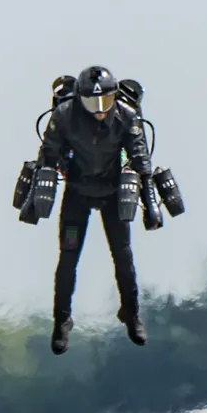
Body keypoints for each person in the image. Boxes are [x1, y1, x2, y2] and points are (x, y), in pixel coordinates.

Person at [36, 65, 163, 355]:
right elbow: (48, 155)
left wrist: (151, 206)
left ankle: (131, 314)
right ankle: (61, 320)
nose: (99, 110)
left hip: (113, 192)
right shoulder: (64, 115)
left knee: (123, 256)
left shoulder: (127, 117)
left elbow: (141, 160)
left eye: (105, 101)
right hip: (77, 193)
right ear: (80, 99)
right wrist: (37, 195)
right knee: (68, 258)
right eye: (92, 102)